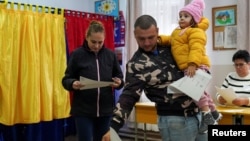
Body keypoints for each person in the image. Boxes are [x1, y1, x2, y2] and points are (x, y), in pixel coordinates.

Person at [108, 14, 207, 141]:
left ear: (158, 32)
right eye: (141, 39)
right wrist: (114, 126)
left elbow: (195, 50)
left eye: (151, 37)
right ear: (134, 35)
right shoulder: (136, 64)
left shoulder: (172, 46)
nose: (147, 43)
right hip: (174, 120)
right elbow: (128, 96)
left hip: (199, 113)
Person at [157, 0, 222, 133]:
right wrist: (159, 39)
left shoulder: (195, 31)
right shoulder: (177, 32)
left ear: (194, 19)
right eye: (180, 15)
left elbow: (196, 48)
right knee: (201, 91)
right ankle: (214, 112)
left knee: (194, 91)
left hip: (198, 65)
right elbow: (170, 40)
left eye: (186, 16)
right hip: (189, 66)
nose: (182, 18)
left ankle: (207, 116)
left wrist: (193, 64)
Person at [61, 20, 124, 141]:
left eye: (100, 42)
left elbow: (120, 78)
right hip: (83, 111)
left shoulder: (110, 55)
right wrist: (73, 83)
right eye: (93, 42)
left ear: (104, 39)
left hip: (105, 110)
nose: (96, 46)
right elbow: (66, 79)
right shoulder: (77, 54)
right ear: (86, 37)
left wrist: (119, 83)